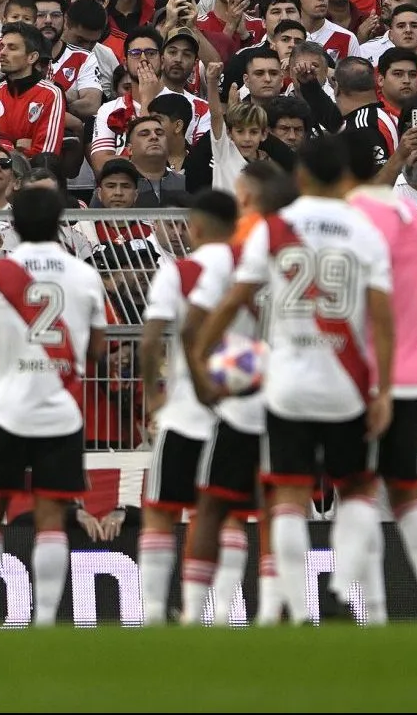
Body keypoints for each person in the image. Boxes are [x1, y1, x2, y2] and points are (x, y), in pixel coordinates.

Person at [196, 133, 396, 626]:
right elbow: (383, 318)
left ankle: (295, 603)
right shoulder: (365, 230)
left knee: (286, 495)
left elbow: (236, 298)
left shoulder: (274, 228)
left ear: (301, 176)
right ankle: (343, 589)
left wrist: (202, 354)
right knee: (354, 491)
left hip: (285, 381)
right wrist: (385, 388)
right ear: (347, 176)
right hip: (346, 381)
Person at [0, 185, 108, 628]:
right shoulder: (85, 275)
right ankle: (45, 621)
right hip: (61, 411)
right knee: (50, 516)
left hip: (7, 409)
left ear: (15, 226)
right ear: (59, 222)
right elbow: (99, 350)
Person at [341, 126, 417, 622]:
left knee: (361, 492)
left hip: (362, 379)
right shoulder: (411, 215)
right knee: (407, 493)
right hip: (408, 374)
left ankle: (374, 606)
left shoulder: (347, 223)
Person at [184, 163, 285, 625]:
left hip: (241, 388)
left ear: (245, 198)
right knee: (280, 504)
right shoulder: (301, 247)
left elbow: (200, 319)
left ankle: (201, 611)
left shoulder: (231, 253)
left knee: (216, 502)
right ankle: (271, 608)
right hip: (291, 390)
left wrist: (202, 371)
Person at [135, 187, 237, 622]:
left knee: (161, 511)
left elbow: (152, 336)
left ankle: (155, 613)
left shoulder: (179, 271)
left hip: (183, 412)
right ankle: (215, 613)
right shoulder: (253, 272)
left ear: (194, 228)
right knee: (227, 516)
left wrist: (151, 394)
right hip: (235, 414)